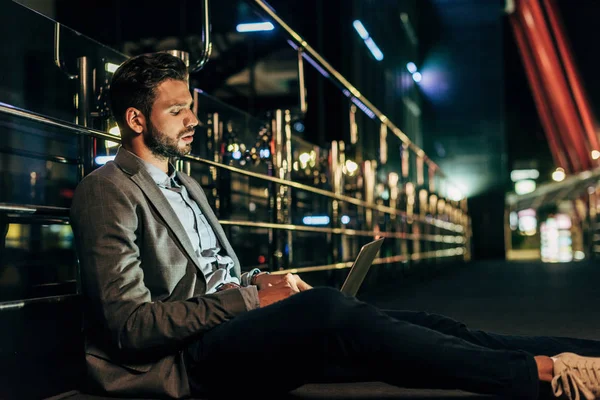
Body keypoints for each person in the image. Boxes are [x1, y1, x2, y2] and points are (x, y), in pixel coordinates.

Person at [70, 52, 600, 400]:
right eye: (177, 111)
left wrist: (263, 286)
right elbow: (130, 328)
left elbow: (214, 280)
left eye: (192, 108)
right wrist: (251, 301)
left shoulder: (189, 187)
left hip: (235, 330)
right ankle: (546, 376)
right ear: (136, 120)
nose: (194, 121)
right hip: (187, 362)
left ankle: (579, 356)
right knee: (333, 311)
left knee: (422, 325)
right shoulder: (108, 189)